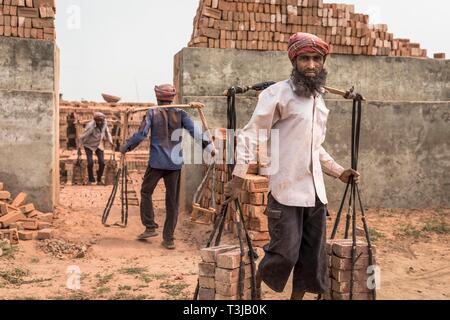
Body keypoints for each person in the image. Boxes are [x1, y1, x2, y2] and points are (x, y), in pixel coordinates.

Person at [224, 33, 360, 300]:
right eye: (305, 59)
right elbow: (252, 135)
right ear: (294, 60)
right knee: (285, 251)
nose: (311, 65)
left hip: (316, 194)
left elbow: (314, 146)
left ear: (323, 62)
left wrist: (339, 171)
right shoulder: (278, 94)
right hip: (285, 190)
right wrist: (238, 177)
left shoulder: (318, 100)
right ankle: (254, 293)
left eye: (316, 59)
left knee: (311, 257)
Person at [120, 84, 214, 250]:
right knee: (172, 202)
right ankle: (168, 239)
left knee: (146, 191)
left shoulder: (152, 112)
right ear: (172, 98)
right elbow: (196, 132)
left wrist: (126, 147)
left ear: (157, 97)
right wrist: (209, 147)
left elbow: (141, 134)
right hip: (174, 164)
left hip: (156, 163)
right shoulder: (181, 114)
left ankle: (150, 227)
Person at [80, 112, 113, 185]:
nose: (99, 122)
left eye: (101, 121)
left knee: (102, 162)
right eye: (98, 121)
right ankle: (91, 179)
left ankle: (99, 179)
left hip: (99, 144)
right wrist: (80, 145)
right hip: (89, 144)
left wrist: (111, 142)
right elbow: (83, 136)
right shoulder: (90, 126)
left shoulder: (104, 123)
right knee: (90, 163)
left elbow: (107, 133)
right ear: (95, 120)